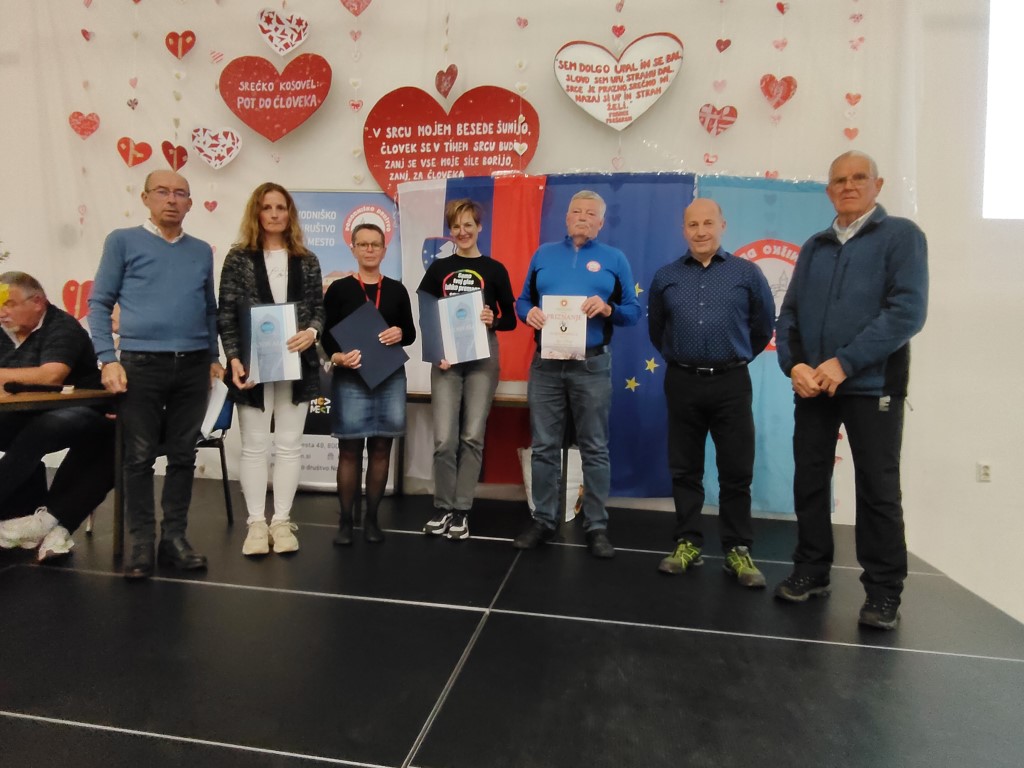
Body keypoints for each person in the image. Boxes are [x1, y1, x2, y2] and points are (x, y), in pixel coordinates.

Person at [774, 151, 928, 630]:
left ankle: (883, 592)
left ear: (877, 185)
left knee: (878, 489)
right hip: (813, 388)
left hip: (873, 386)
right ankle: (811, 570)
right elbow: (789, 314)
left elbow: (906, 312)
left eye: (859, 177)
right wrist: (794, 365)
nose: (848, 185)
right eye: (839, 180)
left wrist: (845, 363)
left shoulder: (902, 236)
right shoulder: (815, 246)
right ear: (828, 191)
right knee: (809, 480)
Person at [89, 170, 224, 580]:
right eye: (162, 191)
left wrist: (213, 355)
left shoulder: (200, 250)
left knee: (184, 454)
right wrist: (107, 358)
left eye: (180, 193)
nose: (171, 199)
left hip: (193, 365)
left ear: (190, 203)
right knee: (140, 456)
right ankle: (142, 542)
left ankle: (174, 539)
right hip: (140, 364)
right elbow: (99, 303)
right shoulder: (122, 241)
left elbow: (209, 308)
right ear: (145, 198)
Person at [647, 199, 776, 587]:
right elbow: (657, 330)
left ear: (723, 225)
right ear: (683, 230)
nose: (700, 231)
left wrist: (732, 357)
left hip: (731, 382)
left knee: (736, 470)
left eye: (708, 223)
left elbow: (763, 326)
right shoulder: (666, 276)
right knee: (685, 468)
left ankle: (737, 549)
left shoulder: (747, 273)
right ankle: (688, 542)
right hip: (682, 381)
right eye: (692, 224)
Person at [513, 190, 641, 558]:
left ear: (601, 222)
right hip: (546, 364)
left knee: (594, 447)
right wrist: (528, 313)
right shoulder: (543, 254)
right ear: (566, 218)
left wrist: (608, 308)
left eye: (590, 213)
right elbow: (522, 300)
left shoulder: (614, 259)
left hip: (591, 366)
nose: (582, 217)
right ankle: (543, 519)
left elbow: (633, 312)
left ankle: (596, 526)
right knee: (544, 446)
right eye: (576, 212)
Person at [217, 183, 325, 557]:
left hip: (298, 362)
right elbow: (226, 313)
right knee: (254, 446)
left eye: (281, 207)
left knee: (290, 445)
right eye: (267, 207)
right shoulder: (238, 259)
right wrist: (233, 357)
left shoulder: (307, 259)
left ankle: (281, 521)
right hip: (252, 364)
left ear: (290, 213)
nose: (275, 214)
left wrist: (312, 332)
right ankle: (256, 524)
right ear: (257, 212)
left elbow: (318, 309)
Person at [417, 199, 517, 540]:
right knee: (444, 439)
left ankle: (461, 510)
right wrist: (436, 352)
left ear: (479, 227)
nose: (462, 232)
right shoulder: (438, 269)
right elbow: (427, 316)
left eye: (468, 225)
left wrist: (494, 318)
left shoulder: (494, 269)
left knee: (472, 436)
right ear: (450, 231)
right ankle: (443, 507)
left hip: (482, 359)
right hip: (446, 360)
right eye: (456, 226)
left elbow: (510, 319)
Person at [0, 272, 115, 560]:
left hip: (83, 410)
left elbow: (51, 375)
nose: (3, 312)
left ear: (37, 302)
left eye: (10, 304)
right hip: (25, 411)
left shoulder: (62, 327)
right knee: (24, 431)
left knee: (43, 430)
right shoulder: (3, 329)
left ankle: (35, 519)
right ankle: (21, 515)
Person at [322, 223, 416, 545]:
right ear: (353, 249)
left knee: (380, 449)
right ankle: (346, 522)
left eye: (375, 244)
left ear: (384, 250)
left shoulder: (397, 290)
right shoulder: (339, 289)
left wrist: (400, 332)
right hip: (351, 378)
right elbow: (325, 335)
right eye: (363, 244)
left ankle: (372, 519)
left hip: (389, 378)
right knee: (349, 451)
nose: (370, 249)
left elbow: (410, 333)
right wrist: (337, 358)